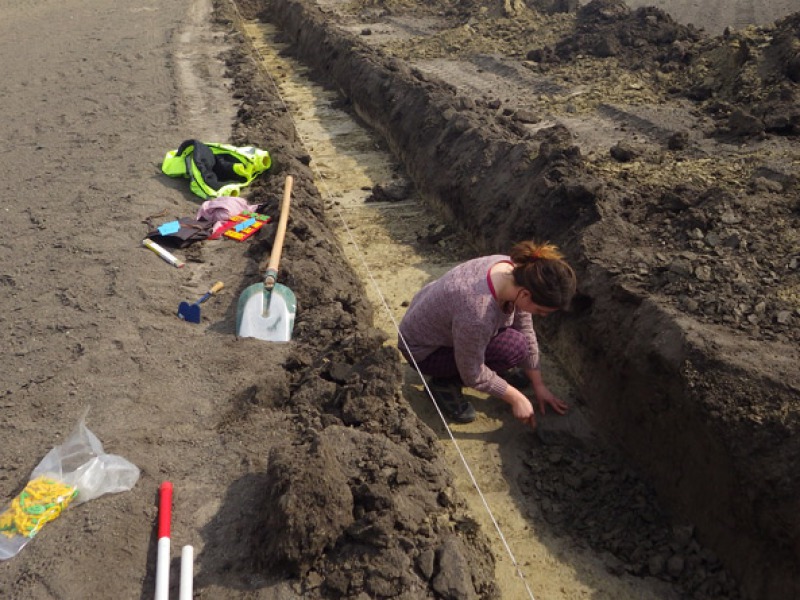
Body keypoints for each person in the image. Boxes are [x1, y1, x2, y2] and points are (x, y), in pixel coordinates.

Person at [398, 240, 576, 426]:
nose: (542, 316)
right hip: (423, 352)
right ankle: (444, 383)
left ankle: (492, 372)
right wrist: (516, 398)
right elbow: (472, 372)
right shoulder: (477, 312)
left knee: (518, 342)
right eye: (541, 311)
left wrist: (539, 385)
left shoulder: (517, 272)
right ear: (525, 295)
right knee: (512, 348)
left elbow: (525, 328)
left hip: (440, 324)